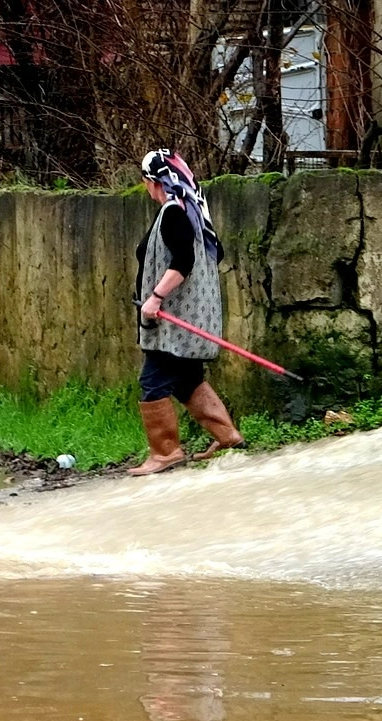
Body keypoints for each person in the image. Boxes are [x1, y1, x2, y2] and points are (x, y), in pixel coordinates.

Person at [128, 149, 245, 476]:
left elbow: (183, 262)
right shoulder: (194, 212)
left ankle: (165, 452)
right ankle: (227, 435)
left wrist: (155, 296)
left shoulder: (174, 213)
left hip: (174, 321)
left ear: (152, 182)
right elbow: (214, 254)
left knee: (152, 381)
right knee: (187, 379)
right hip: (196, 318)